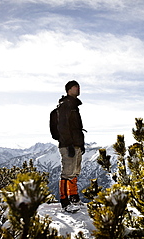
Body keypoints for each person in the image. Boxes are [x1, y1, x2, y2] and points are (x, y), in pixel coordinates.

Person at [57, 80, 85, 213]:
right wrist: (68, 145)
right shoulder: (65, 105)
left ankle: (74, 197)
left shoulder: (74, 106)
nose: (78, 89)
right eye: (75, 87)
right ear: (69, 89)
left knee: (75, 171)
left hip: (76, 144)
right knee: (67, 172)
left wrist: (81, 144)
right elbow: (63, 127)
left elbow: (77, 128)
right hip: (69, 144)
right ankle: (64, 201)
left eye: (78, 87)